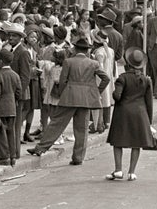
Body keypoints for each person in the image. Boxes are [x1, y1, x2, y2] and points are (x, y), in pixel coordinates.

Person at [29, 37, 110, 166]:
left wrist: (63, 93)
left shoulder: (68, 62)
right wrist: (95, 92)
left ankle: (40, 148)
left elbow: (63, 81)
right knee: (82, 129)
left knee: (56, 123)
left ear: (75, 49)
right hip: (85, 99)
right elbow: (106, 78)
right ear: (87, 50)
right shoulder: (93, 63)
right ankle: (78, 157)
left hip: (69, 96)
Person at [105, 48, 155, 181]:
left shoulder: (122, 78)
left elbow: (117, 96)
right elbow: (149, 103)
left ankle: (118, 170)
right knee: (136, 144)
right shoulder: (146, 80)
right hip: (140, 114)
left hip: (123, 113)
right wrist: (149, 122)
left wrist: (114, 93)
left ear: (128, 63)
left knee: (118, 141)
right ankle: (132, 172)